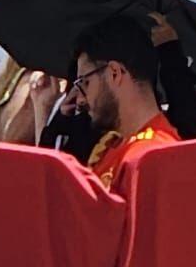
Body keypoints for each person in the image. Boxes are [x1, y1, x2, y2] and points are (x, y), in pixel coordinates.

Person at [69, 15, 179, 188]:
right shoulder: (116, 146)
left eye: (85, 82)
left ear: (115, 73)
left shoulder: (151, 156)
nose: (81, 99)